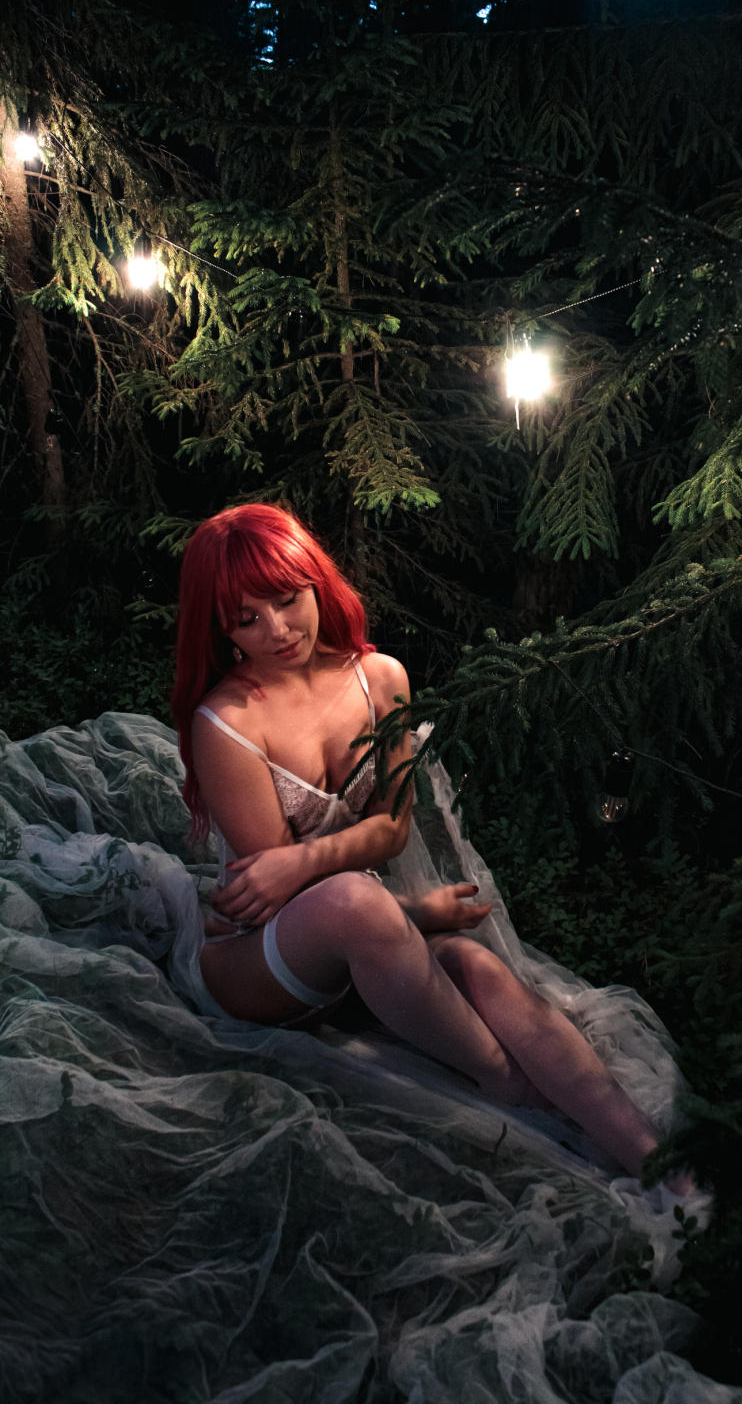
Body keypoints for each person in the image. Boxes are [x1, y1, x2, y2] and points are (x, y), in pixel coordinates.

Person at [172, 502, 689, 1184]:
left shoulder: (379, 678)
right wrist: (412, 911)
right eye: (246, 619)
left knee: (482, 971)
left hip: (360, 935)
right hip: (259, 962)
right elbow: (283, 895)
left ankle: (663, 1167)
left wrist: (313, 862)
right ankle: (509, 1085)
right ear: (221, 629)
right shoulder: (227, 721)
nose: (278, 628)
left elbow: (391, 829)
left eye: (287, 599)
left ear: (315, 581)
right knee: (358, 902)